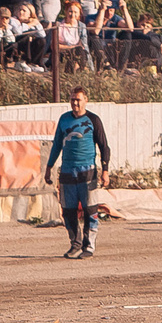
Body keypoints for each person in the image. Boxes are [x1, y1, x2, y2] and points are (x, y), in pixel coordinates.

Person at [43, 86, 112, 259]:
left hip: (87, 171)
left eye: (78, 99)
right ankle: (75, 244)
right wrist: (49, 167)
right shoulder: (64, 119)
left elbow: (104, 146)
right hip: (67, 171)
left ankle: (89, 246)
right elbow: (57, 144)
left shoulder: (93, 120)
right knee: (68, 210)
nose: (75, 102)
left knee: (90, 209)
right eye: (72, 99)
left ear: (86, 100)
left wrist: (105, 170)